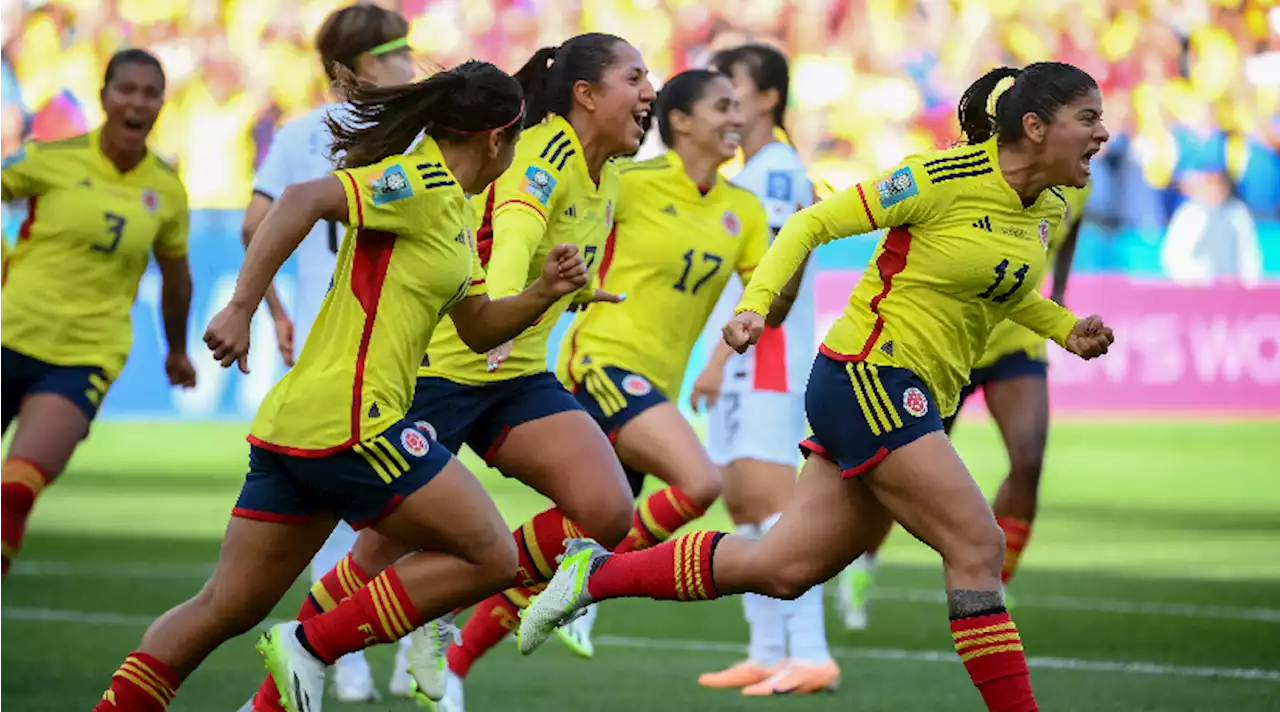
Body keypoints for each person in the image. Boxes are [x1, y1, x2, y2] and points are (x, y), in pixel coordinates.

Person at [517, 62, 1117, 712]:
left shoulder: (1049, 206)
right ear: (1035, 126)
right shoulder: (938, 178)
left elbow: (1004, 285)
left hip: (912, 395)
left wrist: (1064, 327)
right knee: (978, 544)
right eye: (1087, 118)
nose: (1103, 134)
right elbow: (809, 226)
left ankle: (593, 573)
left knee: (782, 568)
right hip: (868, 376)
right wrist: (756, 306)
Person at [91, 59, 589, 712]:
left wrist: (544, 292)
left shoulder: (456, 213)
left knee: (222, 607)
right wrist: (243, 306)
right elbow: (304, 198)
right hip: (355, 424)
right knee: (492, 557)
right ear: (497, 138)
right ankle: (313, 644)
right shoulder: (419, 182)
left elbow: (476, 327)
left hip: (301, 426)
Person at [239, 33, 655, 711]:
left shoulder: (608, 171)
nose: (649, 91)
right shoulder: (542, 150)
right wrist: (525, 285)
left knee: (608, 510)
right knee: (372, 559)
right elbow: (517, 228)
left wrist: (567, 290)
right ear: (586, 94)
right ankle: (272, 696)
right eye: (635, 77)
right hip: (446, 369)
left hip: (516, 374)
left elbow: (531, 243)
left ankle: (434, 609)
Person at [426, 69, 775, 710]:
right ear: (682, 121)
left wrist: (798, 245)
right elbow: (542, 227)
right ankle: (593, 581)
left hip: (654, 386)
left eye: (740, 106)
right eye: (723, 106)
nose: (738, 116)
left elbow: (765, 304)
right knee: (700, 484)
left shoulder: (746, 209)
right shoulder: (633, 182)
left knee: (571, 543)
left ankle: (459, 659)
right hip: (602, 363)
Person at [242, 4, 419, 703]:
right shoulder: (415, 133)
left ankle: (359, 655)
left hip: (343, 346)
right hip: (375, 349)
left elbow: (258, 224)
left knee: (366, 511)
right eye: (398, 51)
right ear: (359, 66)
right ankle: (368, 650)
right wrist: (275, 311)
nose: (410, 63)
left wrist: (275, 311)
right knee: (400, 505)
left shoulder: (294, 137)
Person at [835, 182, 1090, 631]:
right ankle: (862, 565)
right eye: (1087, 120)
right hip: (947, 346)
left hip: (1017, 339)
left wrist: (1061, 291)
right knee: (903, 479)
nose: (1098, 138)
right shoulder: (964, 177)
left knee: (1028, 458)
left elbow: (1071, 226)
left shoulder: (1074, 184)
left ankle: (994, 583)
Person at [0, 49, 195, 583]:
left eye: (149, 92)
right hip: (8, 331)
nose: (137, 101)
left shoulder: (168, 190)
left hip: (83, 354)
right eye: (125, 90)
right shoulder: (50, 159)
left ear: (161, 103)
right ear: (104, 97)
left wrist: (178, 351)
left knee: (15, 490)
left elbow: (177, 280)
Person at [686, 43, 839, 694]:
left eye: (734, 88)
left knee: (772, 503)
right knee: (747, 500)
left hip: (763, 354)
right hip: (752, 353)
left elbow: (774, 279)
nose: (726, 102)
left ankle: (809, 652)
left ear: (769, 97)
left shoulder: (775, 171)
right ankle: (768, 646)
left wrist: (721, 357)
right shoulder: (754, 169)